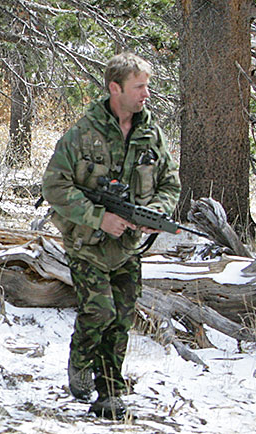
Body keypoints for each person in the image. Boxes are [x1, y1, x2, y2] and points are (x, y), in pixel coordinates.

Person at [41, 52, 181, 419]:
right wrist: (97, 218)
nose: (146, 94)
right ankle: (80, 360)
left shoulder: (150, 135)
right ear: (114, 88)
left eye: (147, 86)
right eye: (139, 87)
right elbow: (54, 186)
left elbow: (169, 183)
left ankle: (110, 394)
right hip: (87, 243)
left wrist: (157, 214)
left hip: (128, 246)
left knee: (121, 318)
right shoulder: (82, 135)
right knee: (98, 312)